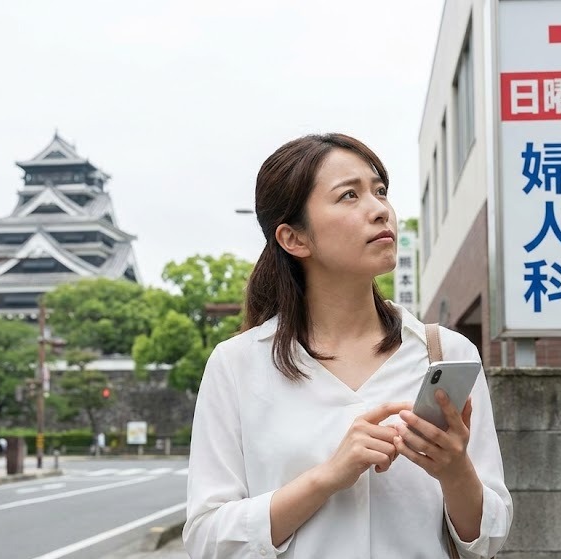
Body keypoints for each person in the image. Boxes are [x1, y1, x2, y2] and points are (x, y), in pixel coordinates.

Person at [183, 134, 513, 558]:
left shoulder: (446, 354)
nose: (379, 210)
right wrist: (326, 478)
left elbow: (486, 539)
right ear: (294, 239)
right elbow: (208, 539)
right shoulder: (237, 364)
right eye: (349, 196)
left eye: (380, 191)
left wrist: (455, 471)